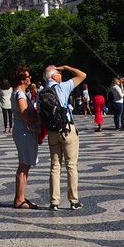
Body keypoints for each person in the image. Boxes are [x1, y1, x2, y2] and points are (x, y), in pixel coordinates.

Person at [43, 64, 86, 211]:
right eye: (59, 73)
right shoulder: (63, 87)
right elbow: (82, 75)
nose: (61, 75)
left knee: (55, 167)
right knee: (71, 166)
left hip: (52, 133)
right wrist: (67, 67)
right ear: (54, 76)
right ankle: (73, 201)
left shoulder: (41, 92)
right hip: (67, 130)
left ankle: (54, 202)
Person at [11, 67, 40, 209]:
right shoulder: (20, 94)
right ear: (22, 80)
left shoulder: (18, 92)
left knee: (24, 165)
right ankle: (19, 199)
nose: (30, 78)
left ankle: (21, 197)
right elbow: (25, 114)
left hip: (22, 131)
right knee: (23, 165)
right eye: (28, 76)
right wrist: (37, 117)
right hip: (24, 132)